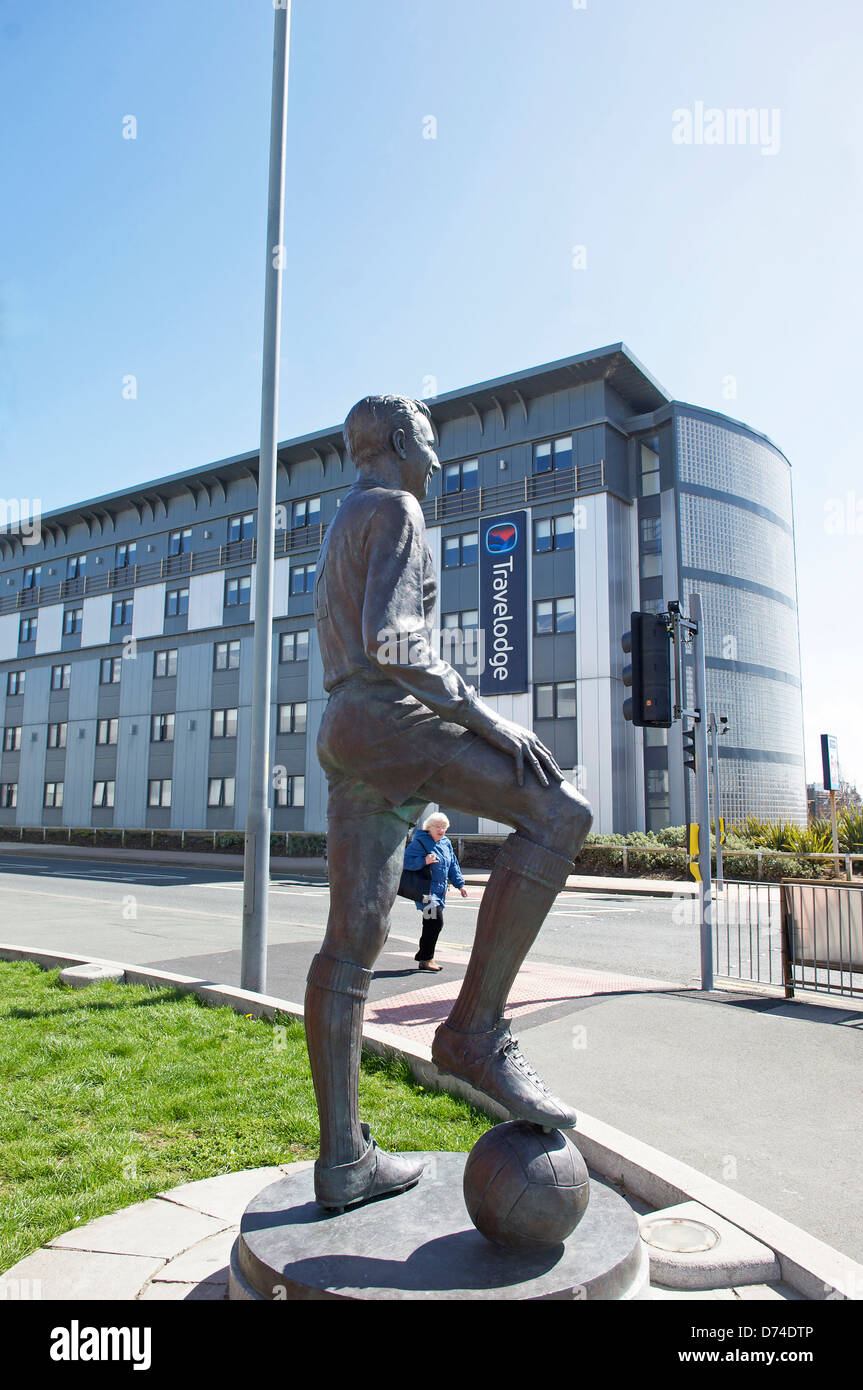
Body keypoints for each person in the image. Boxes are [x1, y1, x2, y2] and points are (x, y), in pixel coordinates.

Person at [305, 393, 592, 1211]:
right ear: (399, 441)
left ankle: (343, 1163)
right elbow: (394, 639)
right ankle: (473, 1032)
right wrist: (483, 714)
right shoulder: (394, 506)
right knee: (560, 812)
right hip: (391, 717)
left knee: (350, 944)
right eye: (428, 445)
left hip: (344, 727)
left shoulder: (340, 520)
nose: (435, 461)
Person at [403, 812, 468, 971]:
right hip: (426, 892)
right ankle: (426, 958)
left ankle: (424, 957)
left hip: (439, 892)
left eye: (444, 827)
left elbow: (453, 864)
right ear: (429, 828)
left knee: (431, 924)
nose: (441, 830)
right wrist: (423, 861)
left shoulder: (445, 843)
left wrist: (460, 884)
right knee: (435, 922)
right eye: (437, 827)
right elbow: (404, 861)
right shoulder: (420, 843)